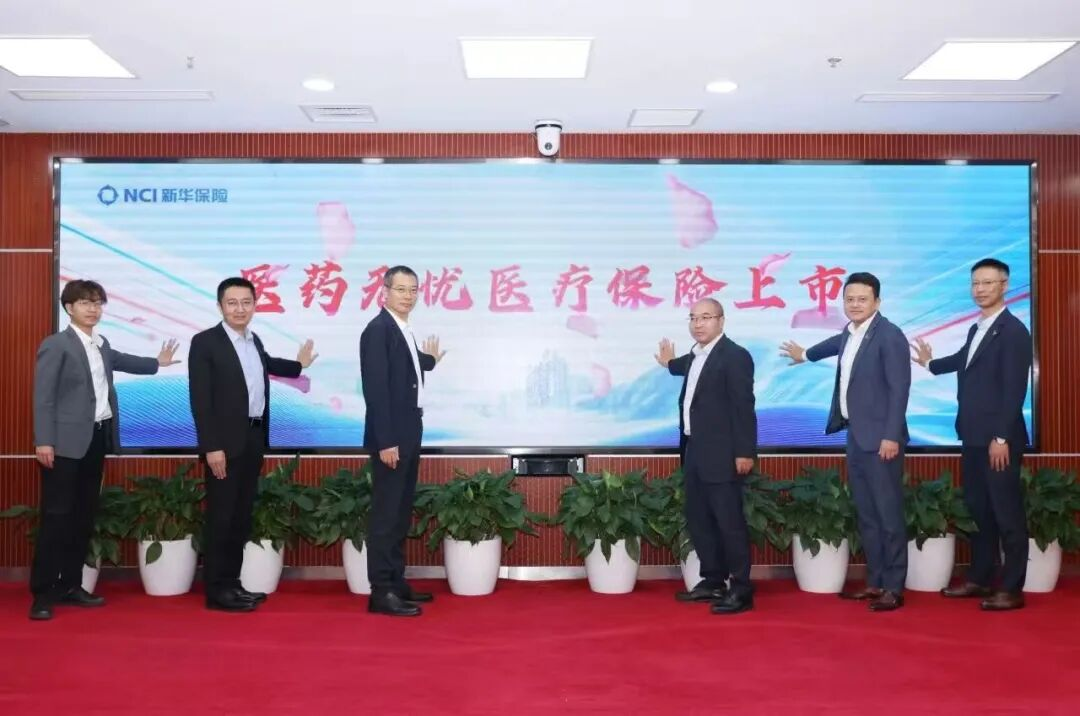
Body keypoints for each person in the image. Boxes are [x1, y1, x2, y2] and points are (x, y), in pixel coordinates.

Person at [30, 279, 179, 620]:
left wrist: (157, 362)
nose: (93, 309)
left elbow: (122, 360)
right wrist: (44, 440)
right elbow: (44, 396)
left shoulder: (101, 344)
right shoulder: (56, 345)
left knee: (83, 516)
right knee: (56, 518)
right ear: (69, 308)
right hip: (63, 445)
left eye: (97, 303)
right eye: (85, 303)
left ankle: (70, 585)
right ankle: (42, 594)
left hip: (96, 440)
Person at [780, 272, 911, 611]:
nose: (855, 304)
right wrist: (805, 354)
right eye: (849, 299)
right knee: (867, 514)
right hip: (856, 435)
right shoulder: (850, 332)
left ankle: (894, 587)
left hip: (882, 441)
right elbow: (833, 345)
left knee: (888, 516)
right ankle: (876, 581)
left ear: (877, 302)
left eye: (862, 299)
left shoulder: (890, 336)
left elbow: (900, 389)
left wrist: (891, 435)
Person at [188, 277, 317, 612]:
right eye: (232, 303)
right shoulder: (205, 343)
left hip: (252, 438)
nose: (239, 309)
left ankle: (233, 583)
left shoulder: (253, 340)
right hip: (223, 445)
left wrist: (299, 365)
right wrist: (211, 447)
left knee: (241, 516)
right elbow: (201, 401)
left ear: (255, 305)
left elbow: (268, 364)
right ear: (220, 306)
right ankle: (217, 590)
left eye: (246, 302)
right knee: (222, 517)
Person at [912, 258, 1032, 611]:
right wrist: (930, 363)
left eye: (988, 283)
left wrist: (1001, 437)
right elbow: (962, 360)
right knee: (979, 511)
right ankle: (980, 578)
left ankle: (1011, 588)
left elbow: (1014, 390)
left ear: (1004, 285)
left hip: (999, 441)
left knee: (1007, 514)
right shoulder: (977, 328)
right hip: (974, 436)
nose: (980, 289)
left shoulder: (1013, 332)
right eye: (976, 283)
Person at [655, 298, 757, 615]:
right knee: (699, 518)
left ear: (721, 321)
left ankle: (740, 589)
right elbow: (684, 367)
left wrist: (744, 452)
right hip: (695, 450)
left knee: (729, 522)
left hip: (724, 454)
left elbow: (743, 407)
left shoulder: (735, 356)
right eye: (693, 318)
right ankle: (713, 580)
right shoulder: (697, 356)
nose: (698, 324)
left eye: (706, 317)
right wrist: (669, 363)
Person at [360, 266, 446, 617]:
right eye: (400, 289)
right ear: (384, 291)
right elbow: (376, 390)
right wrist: (386, 441)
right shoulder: (378, 330)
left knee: (399, 511)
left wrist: (430, 361)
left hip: (410, 428)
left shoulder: (402, 329)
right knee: (386, 514)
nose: (408, 296)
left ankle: (396, 582)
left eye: (413, 290)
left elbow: (408, 367)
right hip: (392, 435)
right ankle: (381, 591)